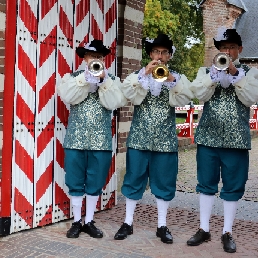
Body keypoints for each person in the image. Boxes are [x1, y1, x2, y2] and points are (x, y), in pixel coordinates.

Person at [113, 33, 194, 244]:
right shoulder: (137, 77)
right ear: (150, 54)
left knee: (164, 182)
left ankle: (161, 225)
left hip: (165, 140)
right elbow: (127, 94)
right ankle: (128, 222)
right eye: (156, 52)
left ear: (169, 56)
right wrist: (144, 74)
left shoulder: (177, 78)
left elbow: (185, 98)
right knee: (133, 178)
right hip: (139, 138)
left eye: (164, 52)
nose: (160, 56)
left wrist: (171, 80)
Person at [187, 27, 258, 253]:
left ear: (239, 50)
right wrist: (213, 76)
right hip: (208, 137)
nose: (227, 51)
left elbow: (251, 99)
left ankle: (227, 231)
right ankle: (204, 228)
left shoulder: (250, 73)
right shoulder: (204, 71)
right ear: (217, 50)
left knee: (233, 187)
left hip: (236, 141)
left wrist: (235, 74)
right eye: (223, 48)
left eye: (231, 47)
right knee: (206, 184)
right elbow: (199, 93)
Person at [57, 39, 127, 239]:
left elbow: (114, 102)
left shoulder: (112, 80)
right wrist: (85, 80)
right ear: (84, 58)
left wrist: (103, 81)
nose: (95, 59)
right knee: (75, 180)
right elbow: (69, 97)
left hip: (101, 140)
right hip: (75, 139)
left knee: (95, 181)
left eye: (99, 57)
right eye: (92, 56)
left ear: (103, 59)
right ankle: (77, 221)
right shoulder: (72, 78)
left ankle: (89, 221)